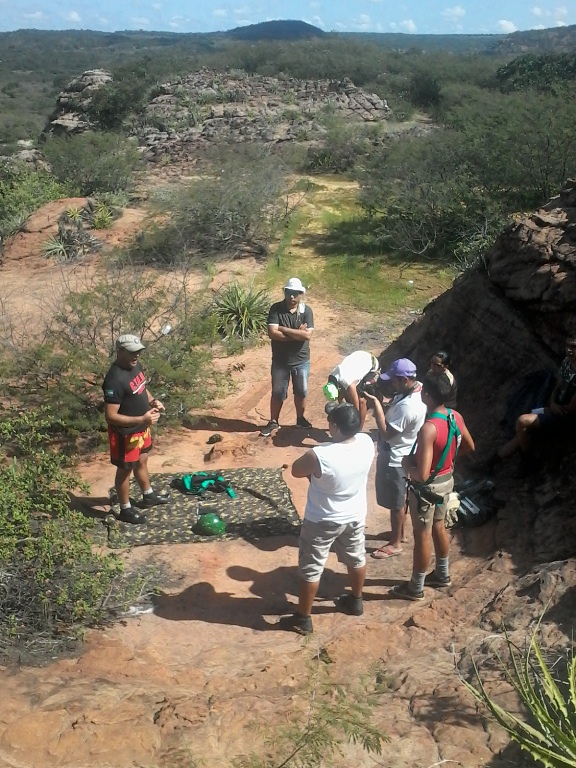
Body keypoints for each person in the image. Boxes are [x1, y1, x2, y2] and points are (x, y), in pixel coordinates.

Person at [278, 403, 375, 634]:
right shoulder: (367, 442)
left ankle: (303, 618)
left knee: (311, 568)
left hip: (322, 519)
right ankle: (356, 600)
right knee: (356, 557)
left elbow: (296, 470)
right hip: (354, 515)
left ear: (335, 426)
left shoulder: (320, 455)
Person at [390, 372, 475, 600]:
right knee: (440, 526)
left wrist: (407, 465)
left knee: (423, 535)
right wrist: (449, 461)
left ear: (427, 394)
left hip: (427, 490)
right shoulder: (455, 416)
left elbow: (422, 474)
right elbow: (470, 446)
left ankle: (415, 587)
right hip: (447, 480)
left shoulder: (429, 428)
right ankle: (442, 574)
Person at [103, 334, 170, 525]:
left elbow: (141, 387)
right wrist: (142, 418)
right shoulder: (114, 379)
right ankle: (125, 508)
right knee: (125, 470)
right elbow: (110, 415)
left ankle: (148, 495)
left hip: (142, 428)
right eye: (133, 352)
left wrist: (152, 400)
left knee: (143, 460)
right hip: (125, 434)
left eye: (139, 352)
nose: (137, 356)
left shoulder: (135, 366)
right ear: (120, 352)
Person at [363, 358, 427, 559]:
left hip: (396, 457)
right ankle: (399, 533)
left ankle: (395, 543)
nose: (392, 384)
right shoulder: (418, 390)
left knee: (396, 502)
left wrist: (376, 406)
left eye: (395, 381)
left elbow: (386, 432)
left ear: (405, 380)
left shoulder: (408, 407)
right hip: (406, 452)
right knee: (401, 499)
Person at [496, 336, 576, 473]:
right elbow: (558, 386)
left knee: (523, 421)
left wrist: (552, 408)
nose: (569, 350)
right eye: (568, 346)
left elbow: (571, 409)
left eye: (574, 347)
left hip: (565, 417)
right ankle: (494, 460)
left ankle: (528, 462)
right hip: (554, 407)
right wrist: (552, 402)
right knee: (526, 419)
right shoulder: (567, 363)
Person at [260, 277, 314, 437]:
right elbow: (272, 333)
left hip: (301, 360)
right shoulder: (276, 309)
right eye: (289, 293)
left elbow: (308, 335)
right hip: (280, 361)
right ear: (285, 292)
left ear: (300, 294)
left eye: (296, 294)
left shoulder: (306, 311)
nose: (292, 297)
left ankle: (300, 419)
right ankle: (273, 421)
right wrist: (297, 334)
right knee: (277, 393)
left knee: (301, 392)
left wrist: (283, 329)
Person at [326, 350, 380, 429]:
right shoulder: (332, 378)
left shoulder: (349, 384)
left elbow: (356, 411)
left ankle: (358, 430)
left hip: (372, 366)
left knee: (361, 401)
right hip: (359, 357)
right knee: (346, 398)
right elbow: (341, 399)